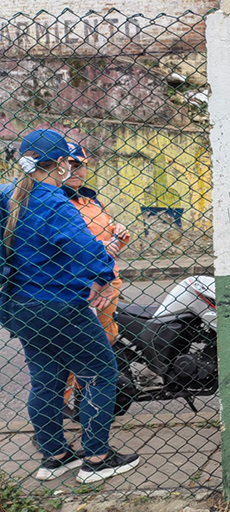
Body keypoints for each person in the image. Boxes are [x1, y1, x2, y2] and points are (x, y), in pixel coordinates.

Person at [4, 129, 138, 483]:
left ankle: (55, 456)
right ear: (61, 163)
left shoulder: (6, 195)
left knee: (45, 379)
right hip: (60, 304)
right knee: (100, 373)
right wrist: (104, 276)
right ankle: (96, 457)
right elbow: (84, 246)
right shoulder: (53, 201)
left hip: (20, 304)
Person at [61, 143, 130, 409]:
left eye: (79, 164)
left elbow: (108, 239)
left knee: (103, 341)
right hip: (79, 283)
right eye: (68, 164)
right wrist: (97, 247)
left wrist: (118, 234)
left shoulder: (92, 200)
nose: (74, 170)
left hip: (107, 281)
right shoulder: (56, 202)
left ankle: (89, 403)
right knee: (73, 348)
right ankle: (64, 406)